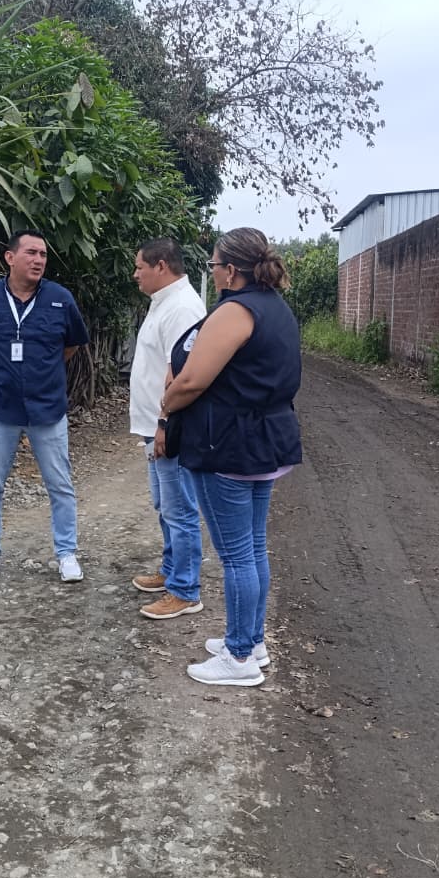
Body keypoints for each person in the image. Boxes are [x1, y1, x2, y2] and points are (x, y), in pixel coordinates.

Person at [160, 228, 302, 688]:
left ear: (231, 270)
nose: (213, 272)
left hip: (228, 446)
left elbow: (192, 380)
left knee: (237, 555)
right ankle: (252, 641)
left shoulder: (234, 312)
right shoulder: (276, 308)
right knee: (253, 547)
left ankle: (239, 657)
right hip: (265, 442)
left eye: (214, 265)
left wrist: (166, 406)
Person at [0, 229, 89, 582]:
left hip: (48, 408)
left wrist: (44, 372)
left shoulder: (60, 299)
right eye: (31, 252)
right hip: (1, 407)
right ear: (10, 258)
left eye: (43, 254)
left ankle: (67, 553)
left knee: (59, 484)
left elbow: (72, 345)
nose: (39, 260)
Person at [129, 239, 207, 620]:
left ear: (161, 266)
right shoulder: (163, 302)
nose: (135, 274)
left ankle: (186, 590)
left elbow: (182, 375)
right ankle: (172, 569)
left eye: (139, 267)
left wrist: (164, 423)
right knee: (166, 505)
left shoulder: (182, 308)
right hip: (155, 426)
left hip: (170, 427)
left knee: (180, 509)